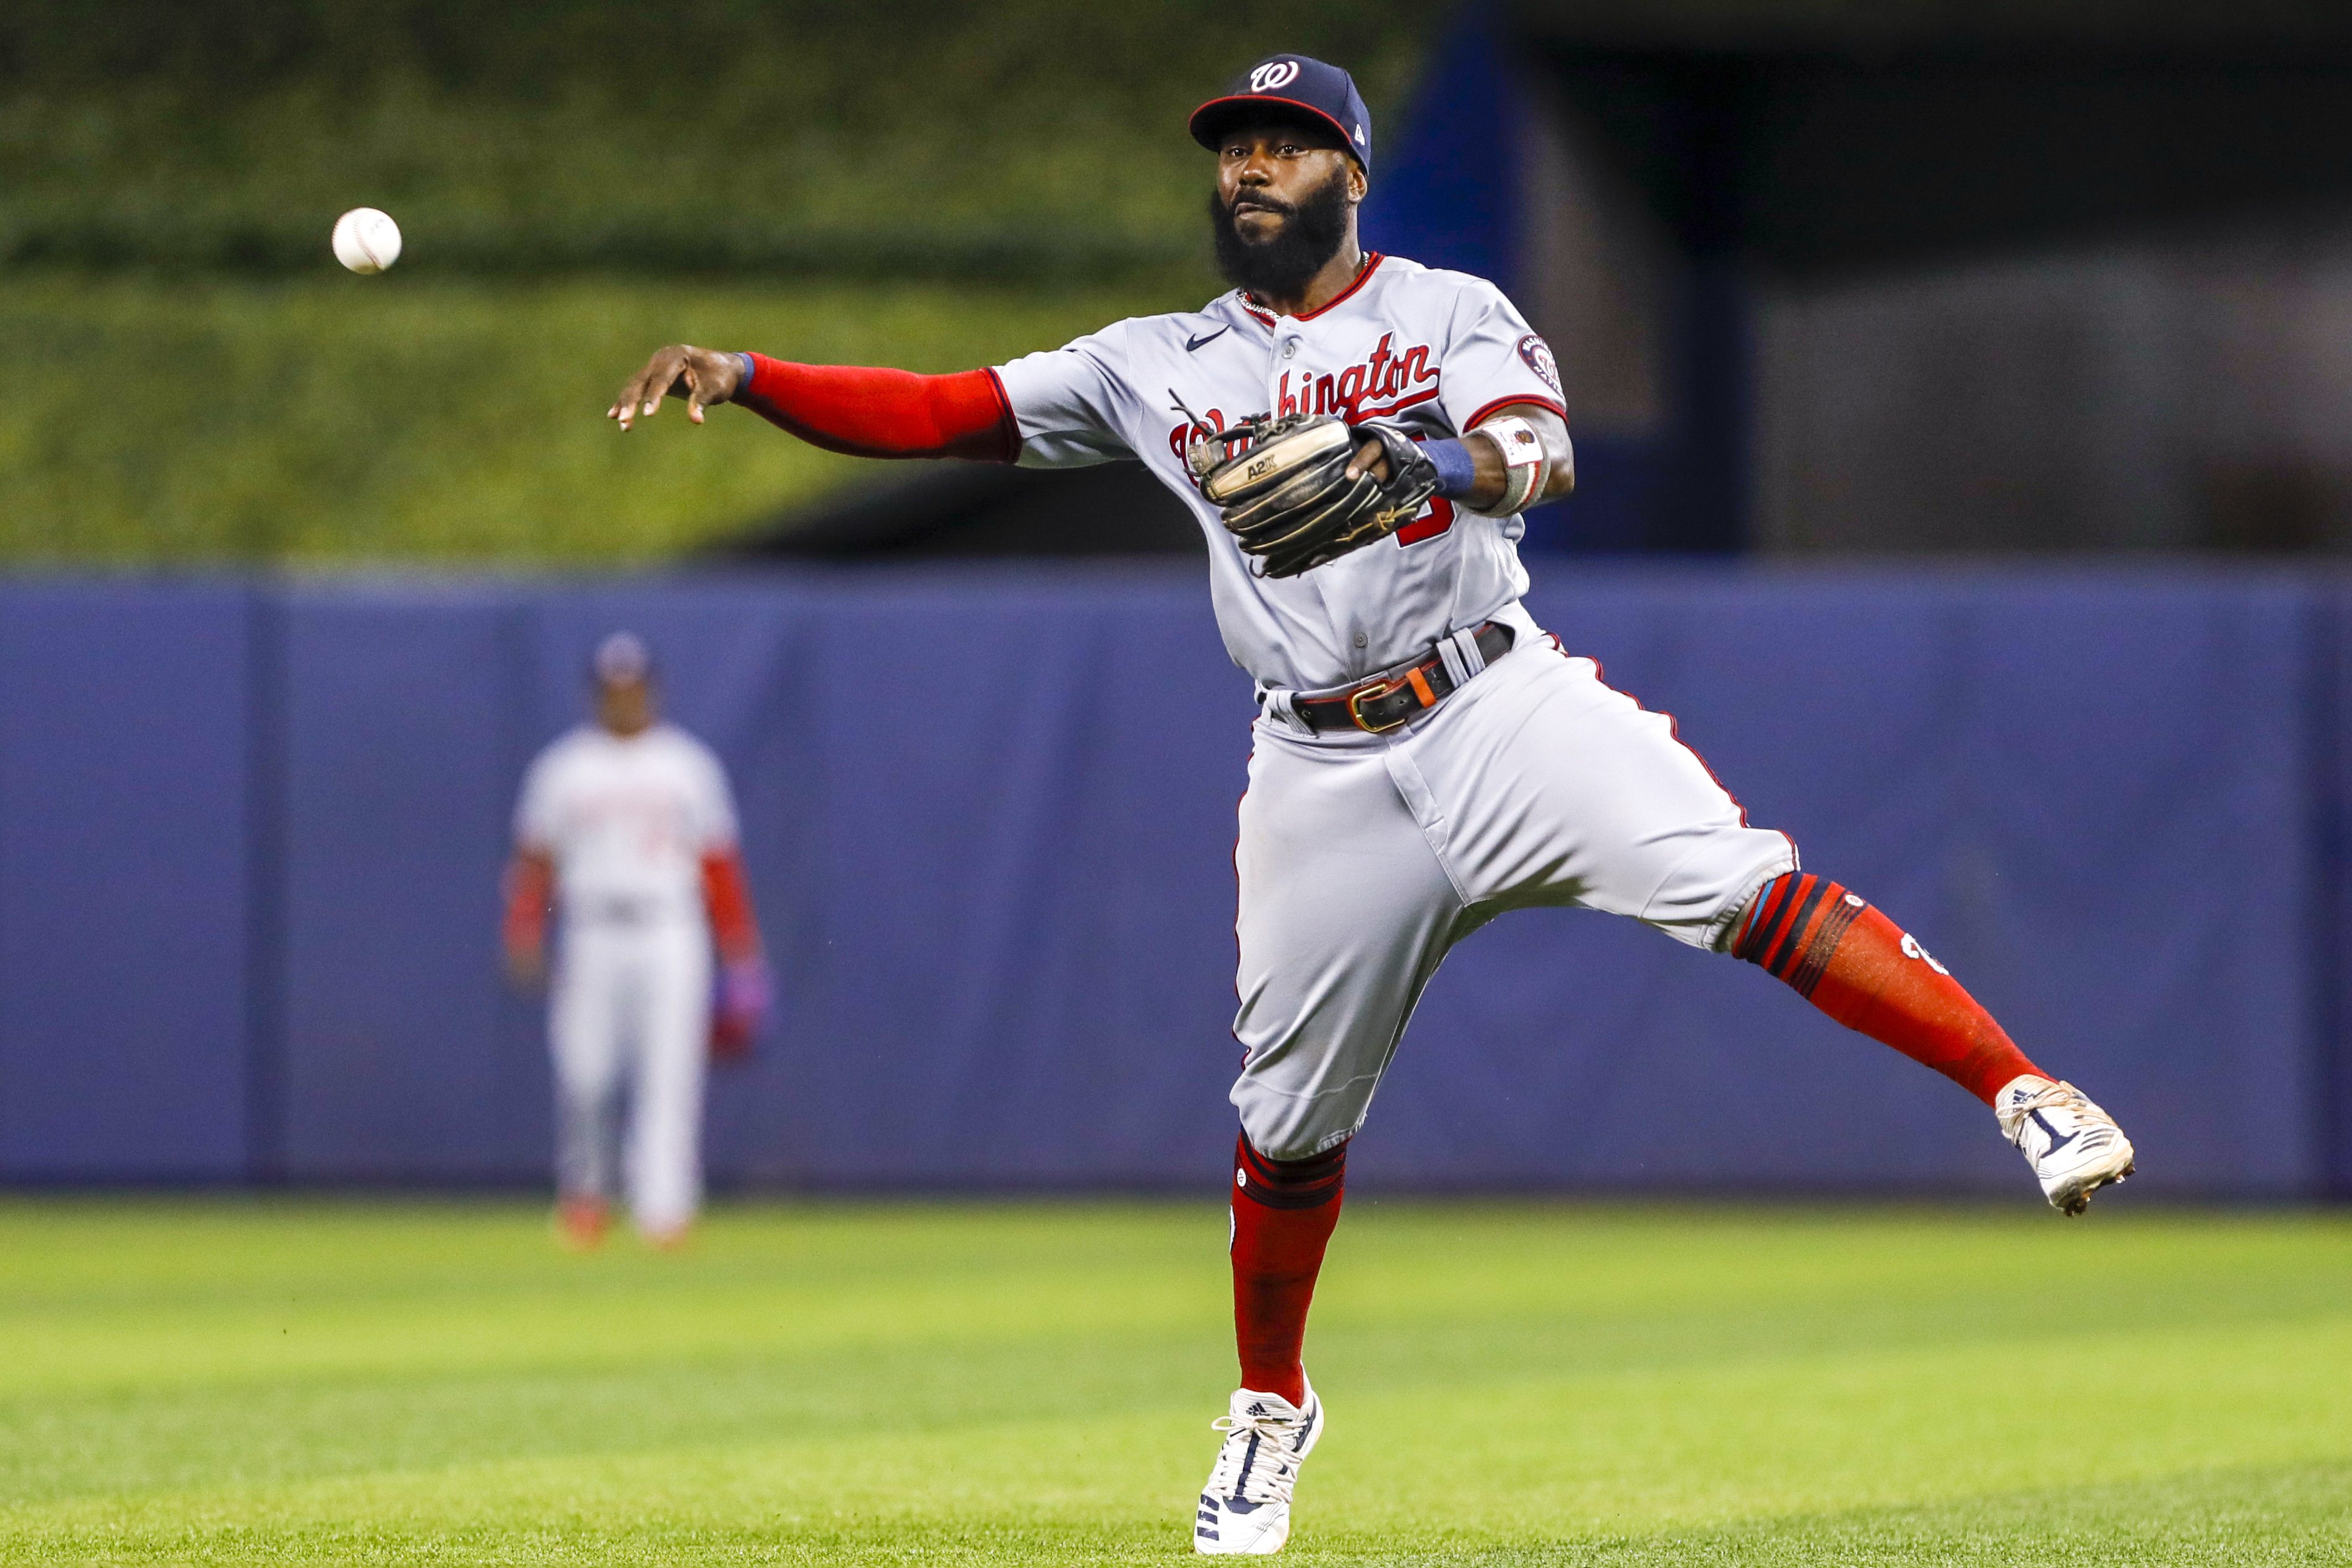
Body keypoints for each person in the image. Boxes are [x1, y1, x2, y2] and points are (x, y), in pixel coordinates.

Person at [602, 54, 2136, 1553]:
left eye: (1279, 144)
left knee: (1738, 881)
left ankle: (2021, 1088)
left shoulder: (1446, 308)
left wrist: (1425, 458)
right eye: (1229, 148)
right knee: (1283, 1120)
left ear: (1347, 168)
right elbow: (941, 408)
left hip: (1493, 699)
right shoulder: (1154, 361)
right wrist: (749, 379)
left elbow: (1538, 451)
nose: (1246, 168)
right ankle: (1268, 1403)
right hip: (1318, 765)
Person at [503, 632, 769, 1250]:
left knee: (670, 1073)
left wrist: (742, 952)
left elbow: (719, 864)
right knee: (584, 1072)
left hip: (669, 925)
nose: (624, 698)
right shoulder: (563, 767)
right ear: (597, 693)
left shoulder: (686, 764)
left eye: (633, 686)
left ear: (651, 689)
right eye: (612, 688)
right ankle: (586, 1195)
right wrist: (523, 927)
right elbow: (536, 862)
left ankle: (664, 1208)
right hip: (591, 926)